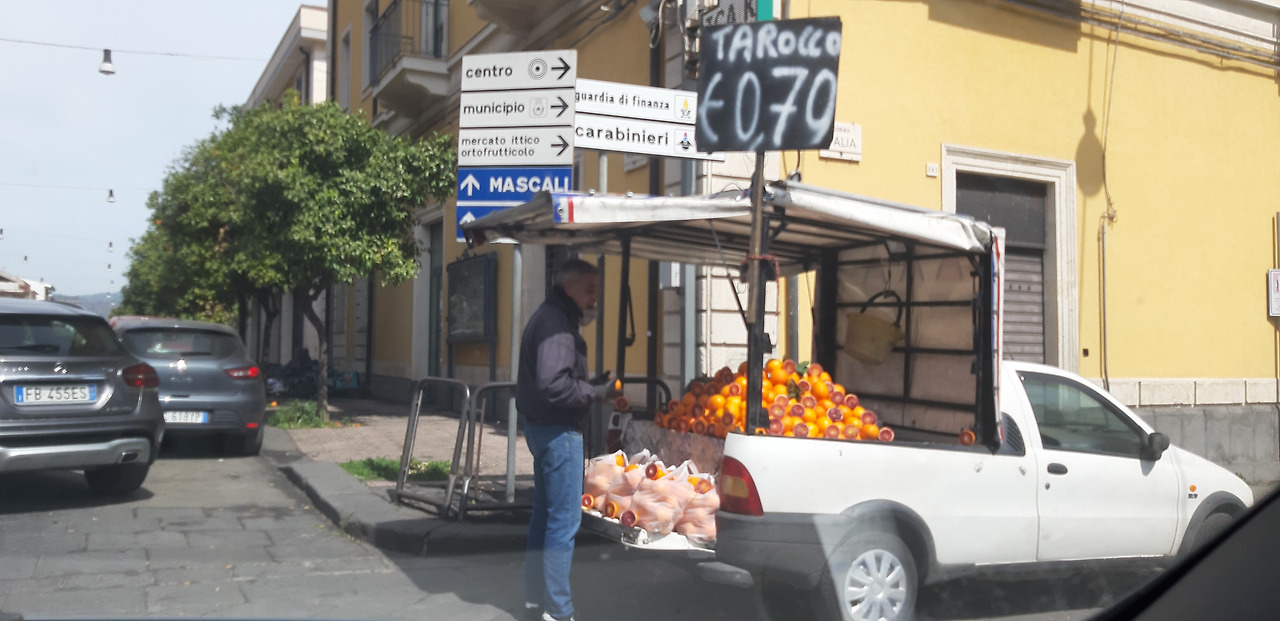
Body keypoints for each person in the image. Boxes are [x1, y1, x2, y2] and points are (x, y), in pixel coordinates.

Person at [517, 258, 614, 621]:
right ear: (569, 287)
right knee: (563, 521)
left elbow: (555, 378)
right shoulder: (557, 325)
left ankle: (534, 600)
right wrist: (594, 392)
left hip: (543, 428)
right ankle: (558, 611)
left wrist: (590, 383)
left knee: (545, 517)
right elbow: (554, 384)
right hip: (558, 432)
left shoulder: (550, 317)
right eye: (589, 290)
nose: (594, 298)